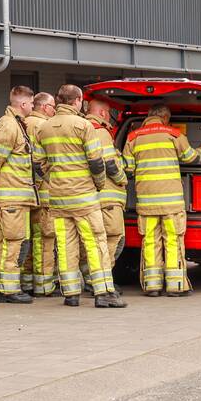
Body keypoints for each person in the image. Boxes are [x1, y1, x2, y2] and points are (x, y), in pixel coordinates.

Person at [32, 85, 127, 308]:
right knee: (95, 243)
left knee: (66, 246)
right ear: (76, 101)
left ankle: (71, 294)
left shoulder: (44, 128)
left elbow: (38, 164)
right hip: (84, 198)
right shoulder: (84, 125)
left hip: (59, 199)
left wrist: (53, 181)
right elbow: (96, 161)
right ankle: (103, 293)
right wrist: (99, 184)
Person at [121, 104, 201, 297]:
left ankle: (152, 286)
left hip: (146, 203)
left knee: (150, 241)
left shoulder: (132, 137)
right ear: (165, 118)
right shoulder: (174, 134)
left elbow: (127, 168)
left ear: (148, 116)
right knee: (172, 241)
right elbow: (190, 157)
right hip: (171, 203)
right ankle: (176, 286)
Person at [0, 85, 37, 304]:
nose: (33, 106)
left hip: (14, 196)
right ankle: (10, 290)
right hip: (12, 198)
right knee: (15, 243)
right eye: (31, 103)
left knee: (6, 244)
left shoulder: (16, 125)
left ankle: (2, 288)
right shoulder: (9, 125)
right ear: (23, 104)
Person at [83, 98, 128, 293]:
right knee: (114, 238)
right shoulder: (101, 132)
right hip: (108, 197)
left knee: (93, 241)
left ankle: (91, 278)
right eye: (110, 113)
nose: (111, 117)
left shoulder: (83, 128)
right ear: (103, 113)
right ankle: (101, 281)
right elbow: (110, 164)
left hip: (90, 197)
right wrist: (123, 178)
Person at [22, 91, 57, 296]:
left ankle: (26, 282)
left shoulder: (23, 123)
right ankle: (44, 286)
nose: (55, 110)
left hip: (26, 193)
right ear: (44, 107)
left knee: (29, 238)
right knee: (44, 239)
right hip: (43, 195)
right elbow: (44, 162)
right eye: (53, 107)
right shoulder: (43, 127)